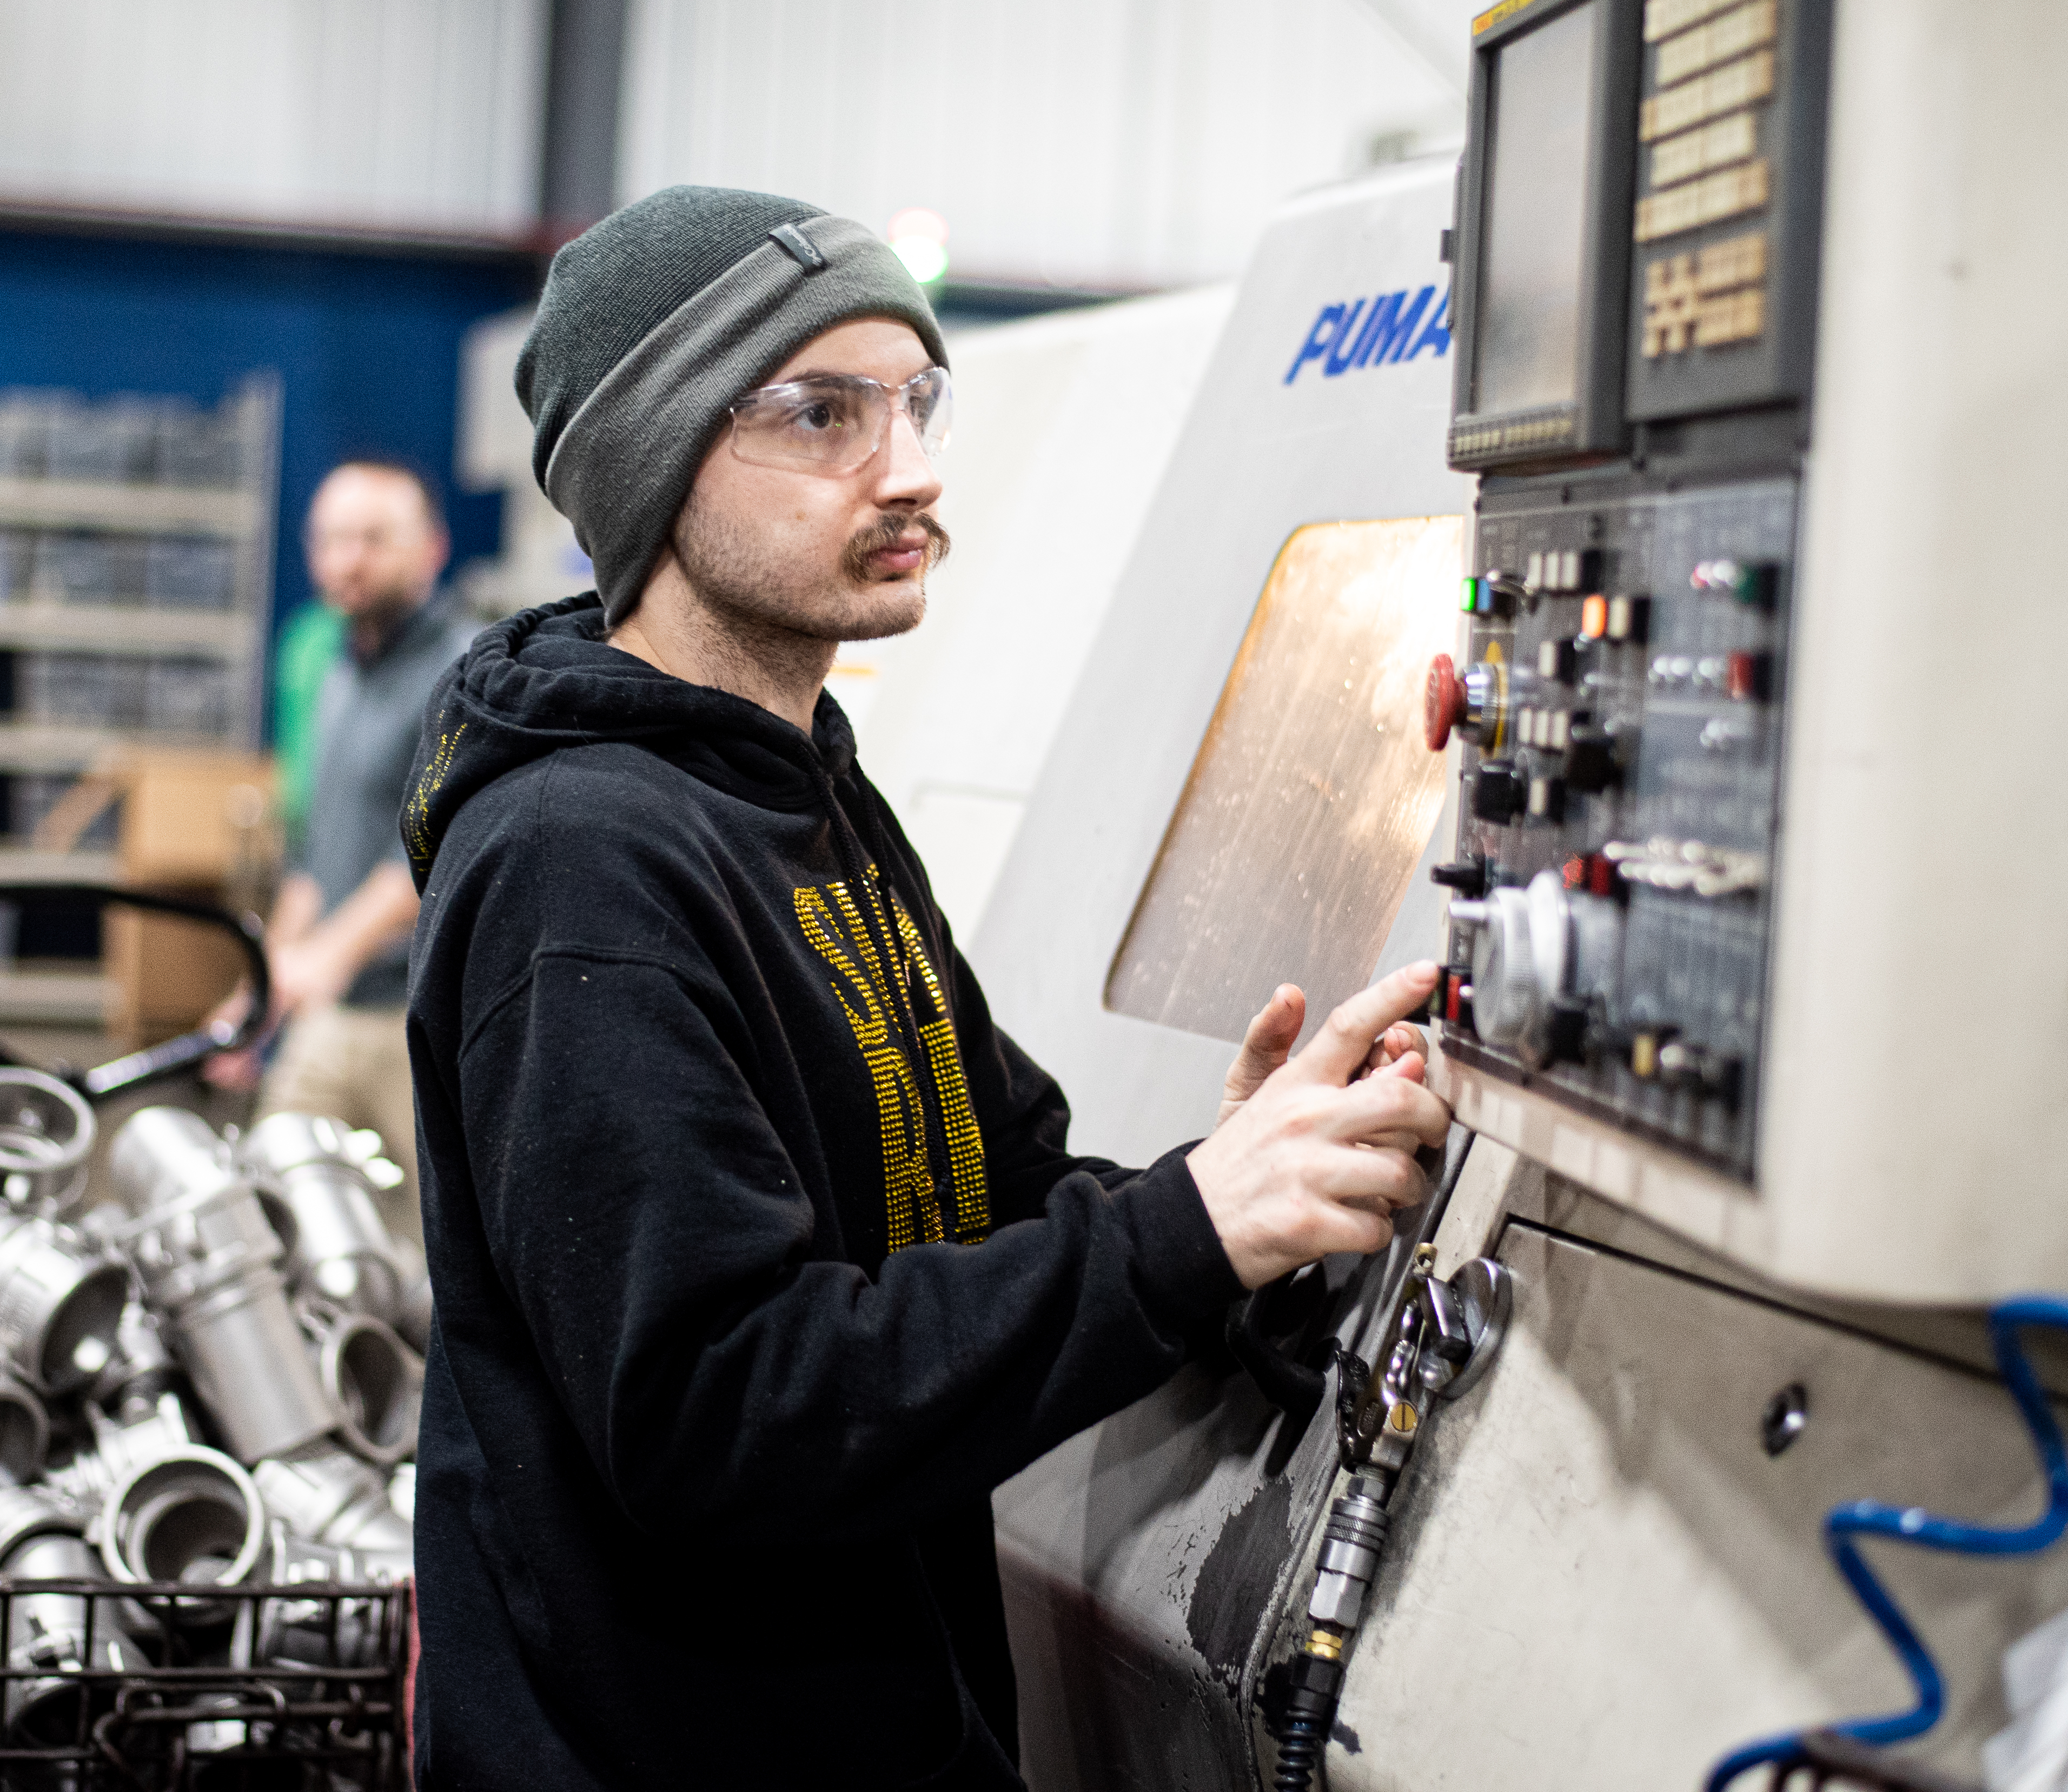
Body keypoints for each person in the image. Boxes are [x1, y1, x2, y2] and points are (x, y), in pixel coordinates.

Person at [398, 186, 1451, 1789]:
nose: (910, 468)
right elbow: (717, 1411)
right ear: (655, 461)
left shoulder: (804, 792)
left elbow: (991, 1176)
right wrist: (1184, 1236)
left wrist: (1242, 1188)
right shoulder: (579, 863)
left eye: (915, 399)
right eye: (822, 415)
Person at [223, 455, 473, 1219]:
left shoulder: (468, 670)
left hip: (422, 1023)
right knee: (271, 1209)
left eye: (371, 539)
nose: (346, 561)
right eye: (330, 539)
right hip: (332, 1017)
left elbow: (434, 845)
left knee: (442, 1245)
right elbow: (316, 860)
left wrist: (328, 955)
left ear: (431, 549)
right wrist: (261, 986)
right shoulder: (331, 671)